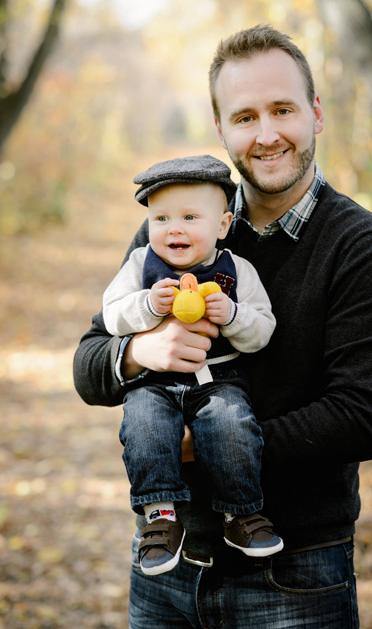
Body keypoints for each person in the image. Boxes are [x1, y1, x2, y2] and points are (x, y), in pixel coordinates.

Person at [74, 24, 372, 628]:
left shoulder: (362, 245)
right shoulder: (179, 225)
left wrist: (209, 447)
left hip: (295, 575)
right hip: (166, 569)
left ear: (315, 113)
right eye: (245, 116)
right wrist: (140, 351)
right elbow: (88, 365)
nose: (266, 134)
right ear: (222, 129)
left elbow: (364, 418)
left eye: (283, 109)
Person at [102, 155, 283, 576]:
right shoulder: (141, 264)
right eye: (161, 217)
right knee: (143, 425)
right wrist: (147, 305)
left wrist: (233, 314)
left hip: (218, 380)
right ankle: (161, 517)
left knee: (231, 423)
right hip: (153, 382)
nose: (174, 228)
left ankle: (240, 514)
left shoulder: (237, 270)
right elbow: (111, 316)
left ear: (221, 225)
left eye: (189, 216)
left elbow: (264, 330)